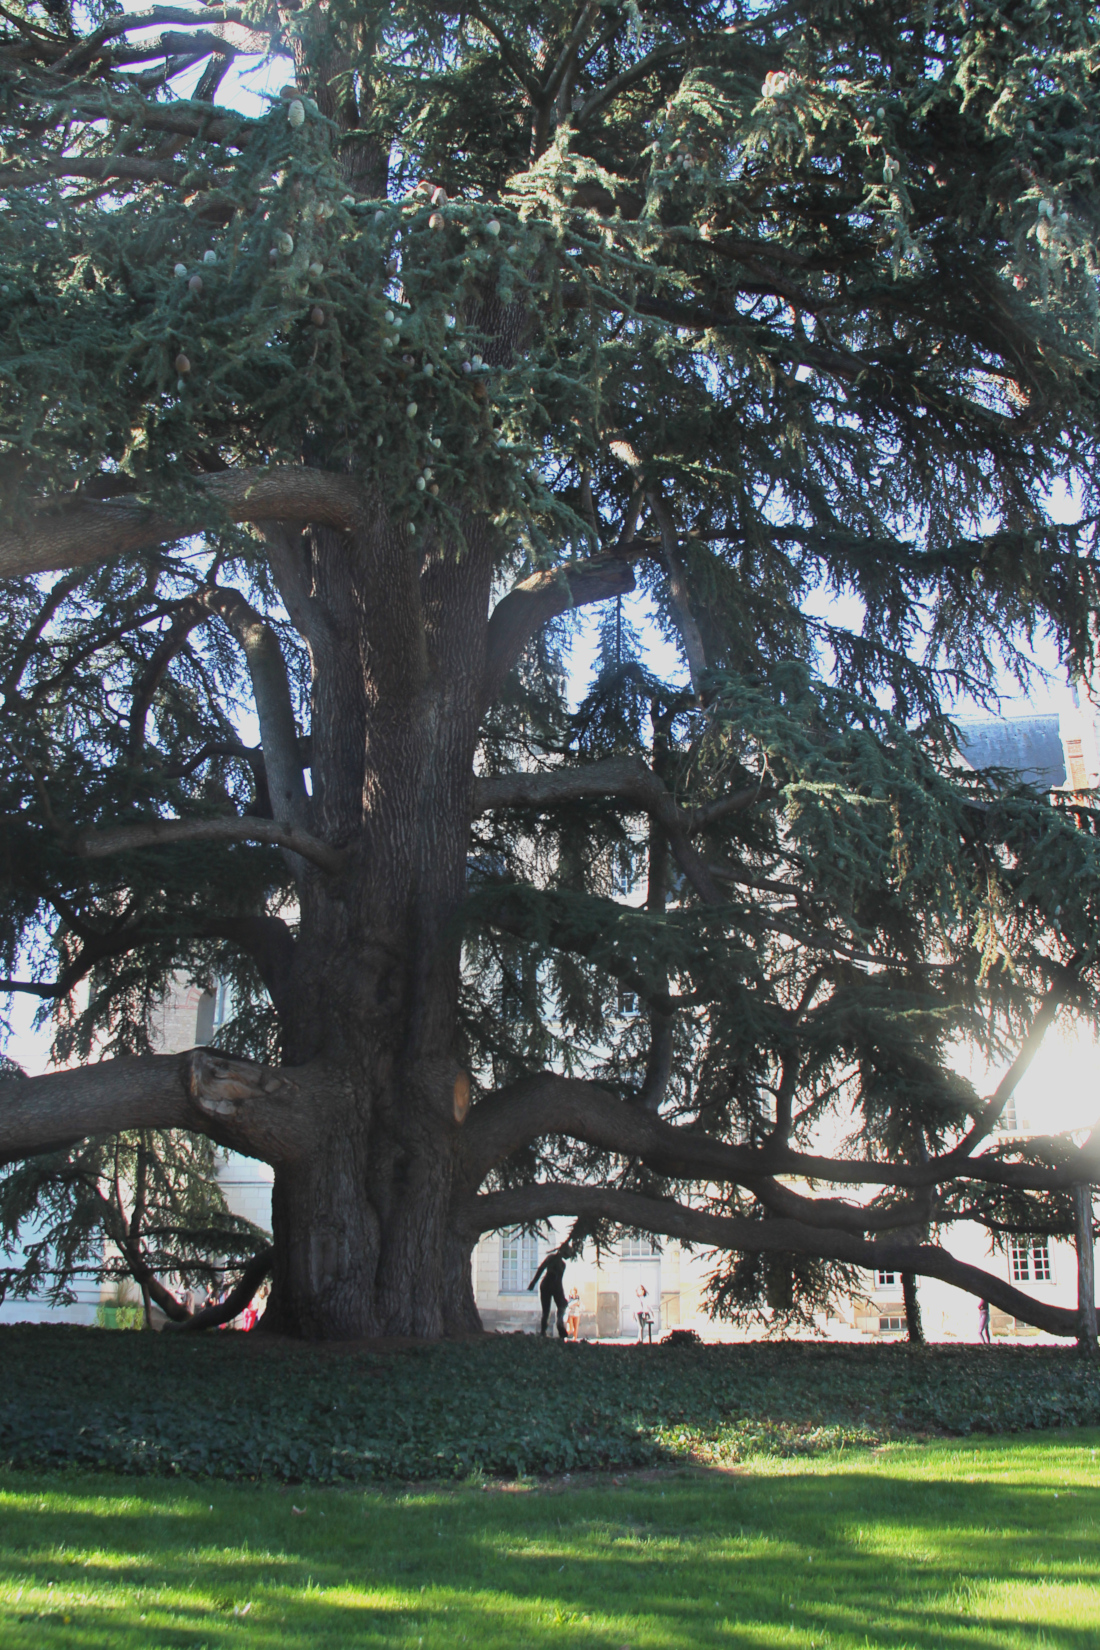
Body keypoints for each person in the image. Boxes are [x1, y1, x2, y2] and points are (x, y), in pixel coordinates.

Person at [528, 1246, 568, 1339]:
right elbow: (558, 1281)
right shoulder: (562, 1264)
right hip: (554, 1285)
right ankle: (559, 1322)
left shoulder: (551, 1258)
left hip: (545, 1285)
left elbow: (541, 1269)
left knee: (546, 1311)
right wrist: (562, 1296)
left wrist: (533, 1282)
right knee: (561, 1305)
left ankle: (543, 1332)